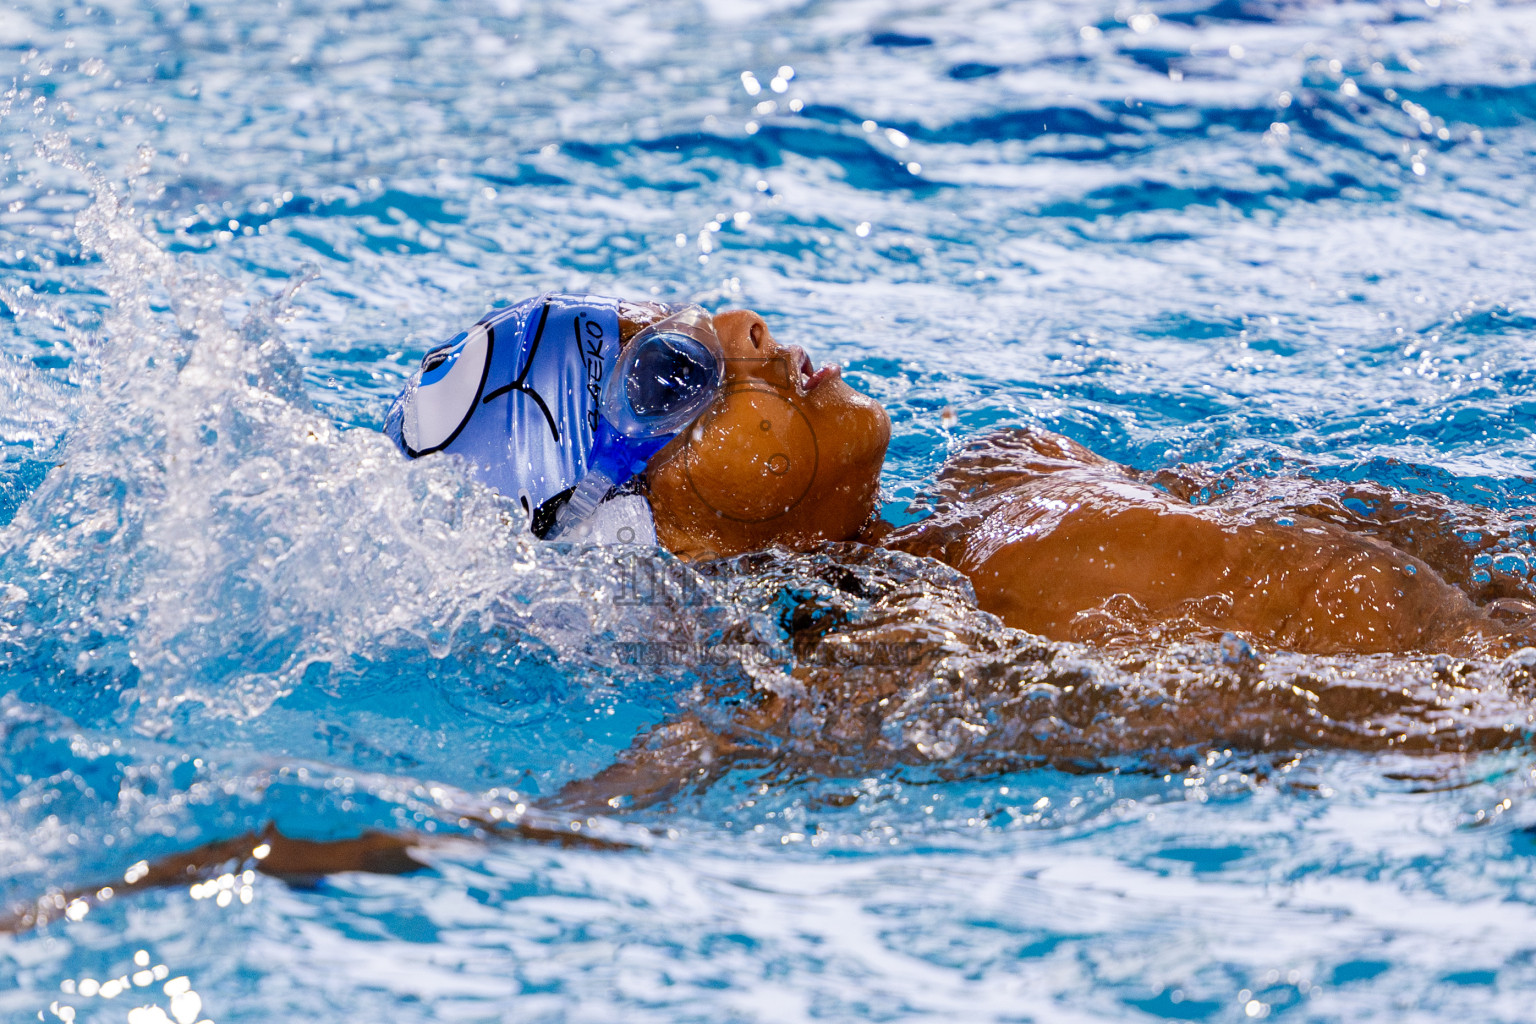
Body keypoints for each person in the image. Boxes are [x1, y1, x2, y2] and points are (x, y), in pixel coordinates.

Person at [11, 295, 1533, 931]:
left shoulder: (1021, 461)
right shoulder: (901, 667)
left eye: (690, 322)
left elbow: (1454, 540)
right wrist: (147, 883)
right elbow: (530, 837)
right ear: (650, 535)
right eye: (676, 381)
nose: (741, 327)